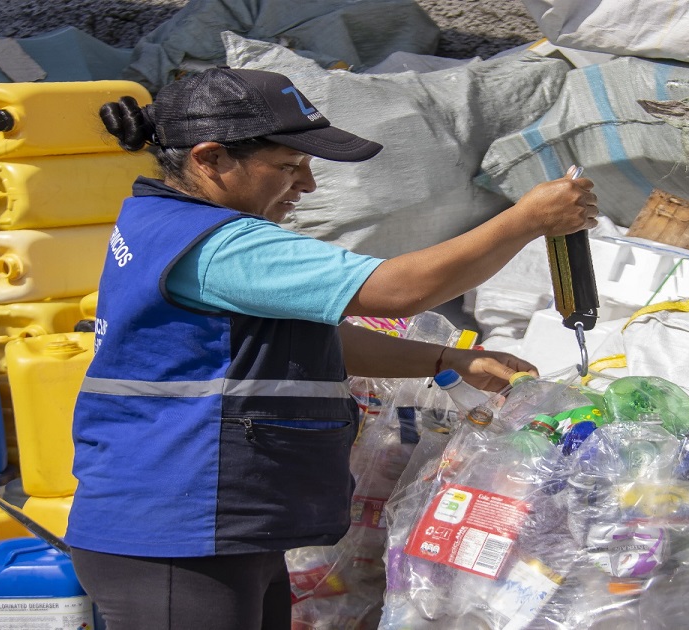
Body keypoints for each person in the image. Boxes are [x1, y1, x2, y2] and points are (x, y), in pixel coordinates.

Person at [66, 67, 597, 630]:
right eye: (289, 166)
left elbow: (309, 342)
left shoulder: (169, 227)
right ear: (211, 158)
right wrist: (525, 220)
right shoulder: (219, 245)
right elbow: (399, 290)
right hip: (181, 533)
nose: (308, 185)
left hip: (212, 527)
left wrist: (445, 360)